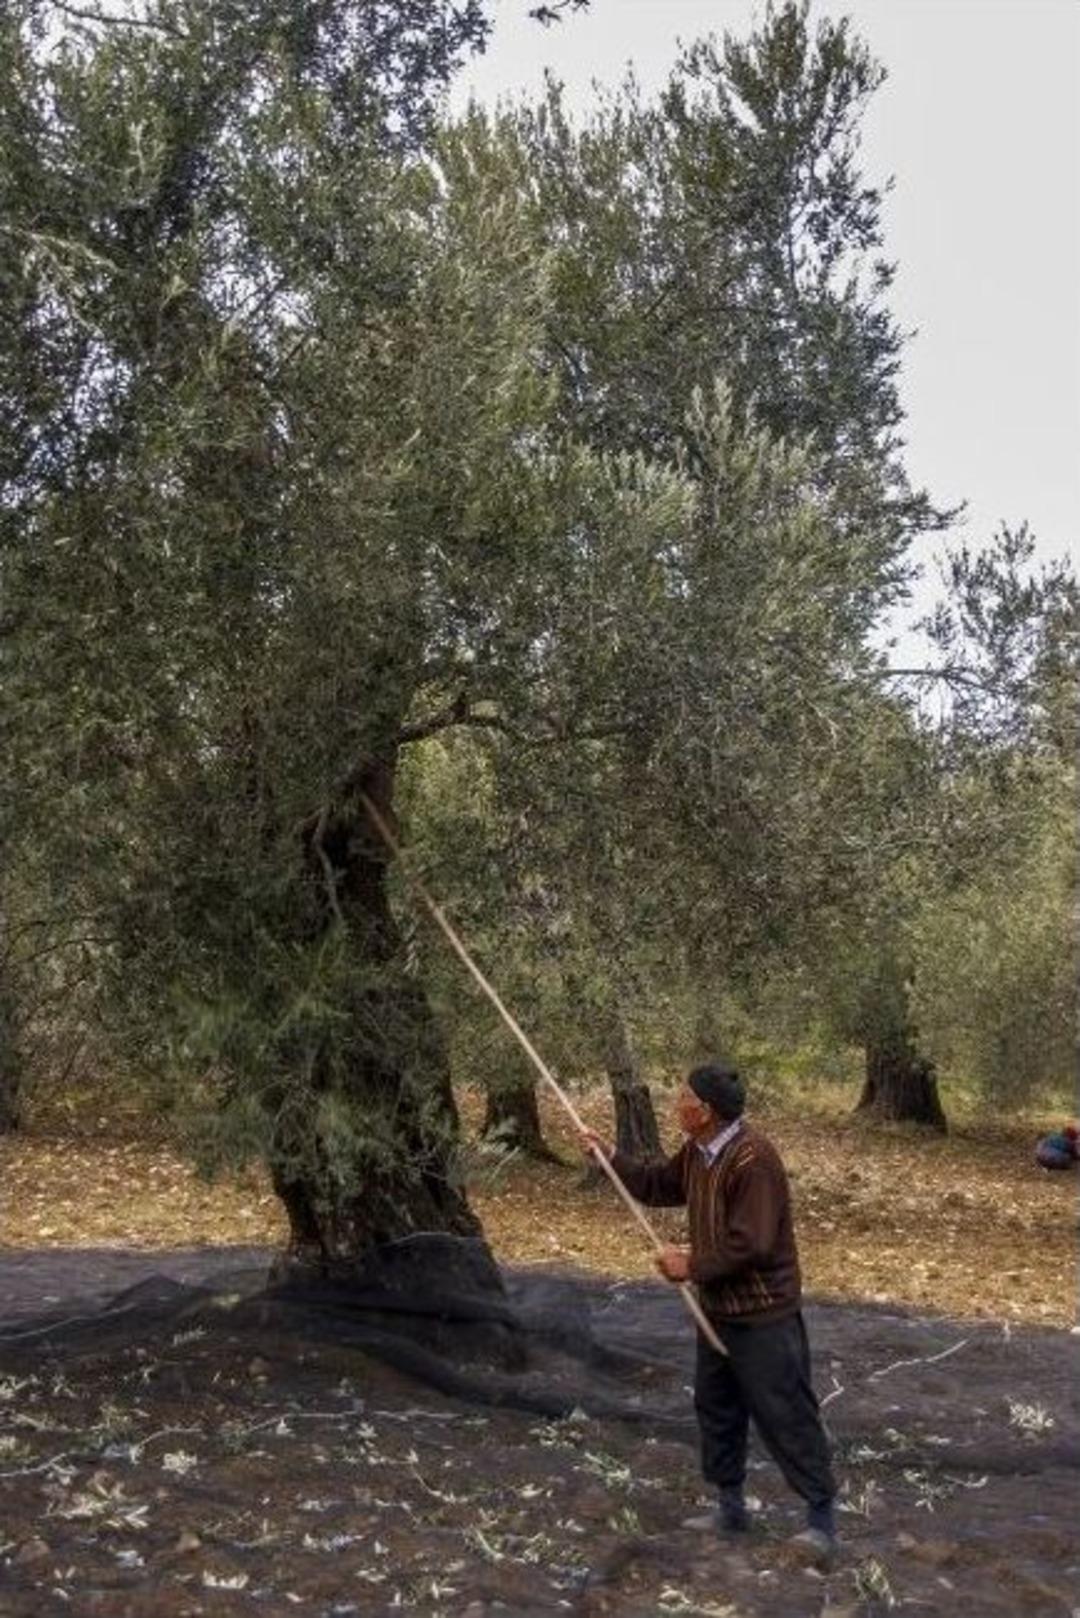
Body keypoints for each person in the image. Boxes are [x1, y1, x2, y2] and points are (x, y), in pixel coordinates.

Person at [580, 1062, 838, 1556]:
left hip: (762, 1314)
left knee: (785, 1410)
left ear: (706, 1111)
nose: (676, 1104)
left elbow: (753, 1244)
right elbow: (658, 1185)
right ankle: (730, 1509)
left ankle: (821, 1522)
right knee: (717, 1407)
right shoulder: (699, 1152)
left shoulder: (753, 1160)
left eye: (684, 1098)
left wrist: (690, 1263)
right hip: (718, 1309)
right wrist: (608, 1155)